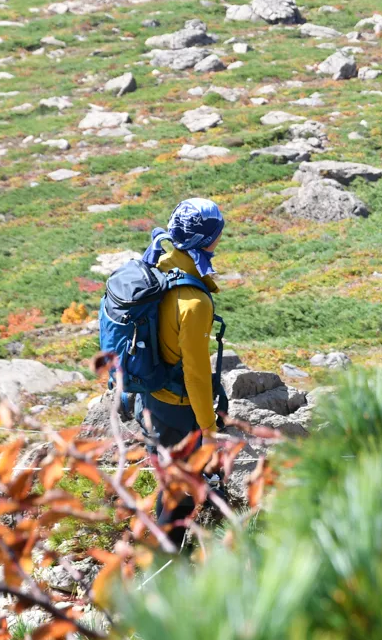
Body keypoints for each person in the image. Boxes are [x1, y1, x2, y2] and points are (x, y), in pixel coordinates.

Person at [134, 197, 225, 541]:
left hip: (152, 395)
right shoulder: (194, 302)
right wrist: (209, 429)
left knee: (168, 478)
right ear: (206, 240)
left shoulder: (161, 259)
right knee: (180, 495)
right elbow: (197, 375)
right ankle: (167, 569)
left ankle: (160, 543)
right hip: (177, 407)